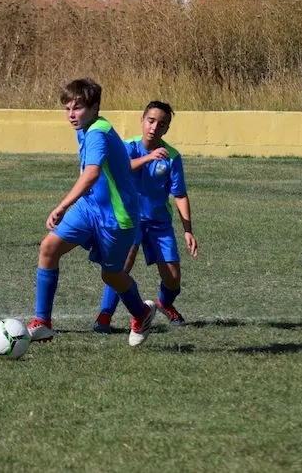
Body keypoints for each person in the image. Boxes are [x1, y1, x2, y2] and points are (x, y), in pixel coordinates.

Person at [26, 79, 155, 347]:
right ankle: (43, 323)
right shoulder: (85, 127)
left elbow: (92, 172)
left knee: (111, 275)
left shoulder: (97, 132)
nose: (72, 115)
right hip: (90, 208)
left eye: (78, 108)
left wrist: (61, 206)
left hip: (117, 218)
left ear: (95, 107)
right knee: (49, 247)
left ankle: (142, 313)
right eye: (67, 109)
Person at [93, 101, 198, 332]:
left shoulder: (172, 156)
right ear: (142, 120)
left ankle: (165, 303)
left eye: (161, 124)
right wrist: (149, 158)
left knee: (173, 277)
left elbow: (179, 194)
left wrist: (188, 230)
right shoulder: (127, 146)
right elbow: (119, 169)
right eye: (151, 121)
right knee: (120, 268)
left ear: (166, 129)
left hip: (159, 222)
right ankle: (104, 315)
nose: (154, 127)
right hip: (129, 220)